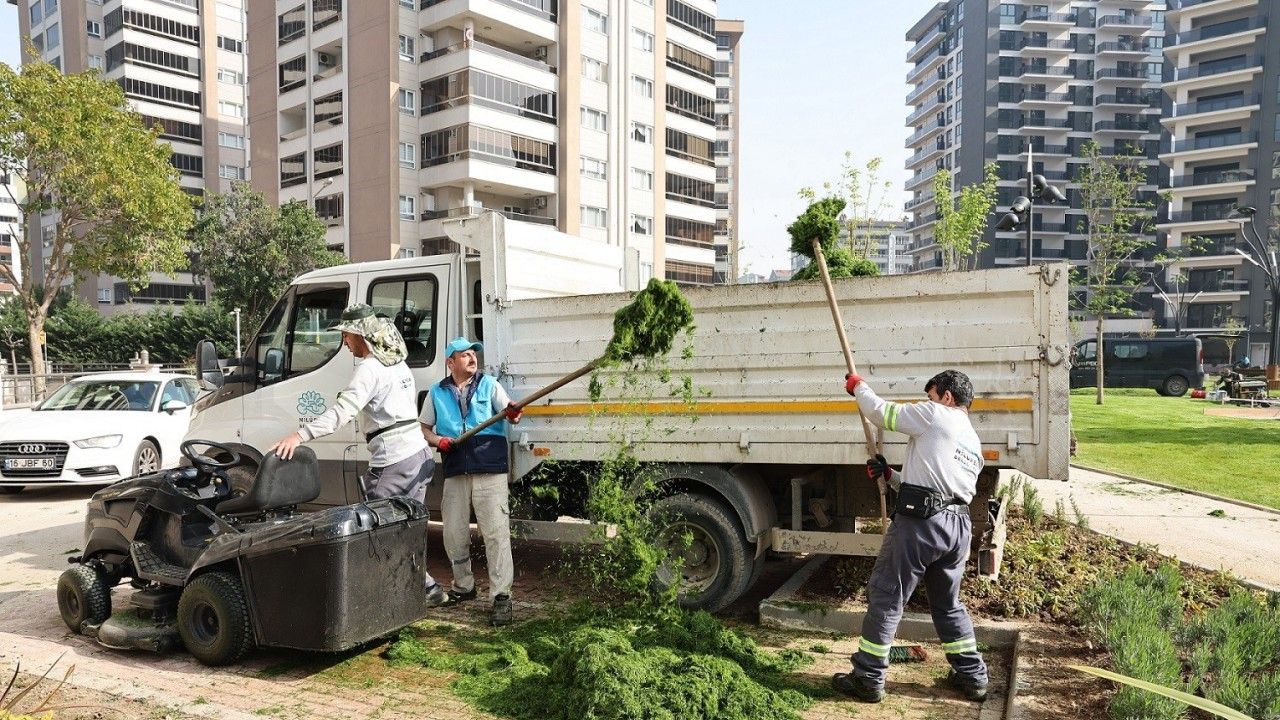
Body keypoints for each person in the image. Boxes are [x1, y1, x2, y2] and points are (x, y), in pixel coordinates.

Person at [267, 304, 448, 607]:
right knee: (406, 528)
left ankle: (388, 600)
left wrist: (299, 435)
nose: (344, 342)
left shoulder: (369, 369)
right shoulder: (396, 362)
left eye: (347, 335)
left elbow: (341, 413)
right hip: (418, 455)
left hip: (394, 461)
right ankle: (426, 588)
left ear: (359, 335)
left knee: (375, 530)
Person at [832, 369, 989, 704]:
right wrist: (890, 475)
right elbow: (938, 485)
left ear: (947, 396)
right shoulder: (972, 441)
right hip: (957, 528)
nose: (927, 401)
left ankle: (868, 678)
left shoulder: (936, 414)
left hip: (921, 525)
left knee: (887, 596)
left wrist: (859, 387)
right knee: (948, 605)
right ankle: (973, 676)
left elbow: (881, 413)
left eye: (931, 396)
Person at [420, 336, 522, 626]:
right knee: (453, 533)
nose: (472, 358)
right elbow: (424, 428)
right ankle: (464, 586)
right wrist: (438, 440)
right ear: (450, 362)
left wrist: (514, 413)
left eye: (473, 353)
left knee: (495, 533)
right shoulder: (436, 392)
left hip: (489, 467)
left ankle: (501, 596)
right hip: (455, 468)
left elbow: (511, 415)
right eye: (464, 355)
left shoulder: (490, 385)